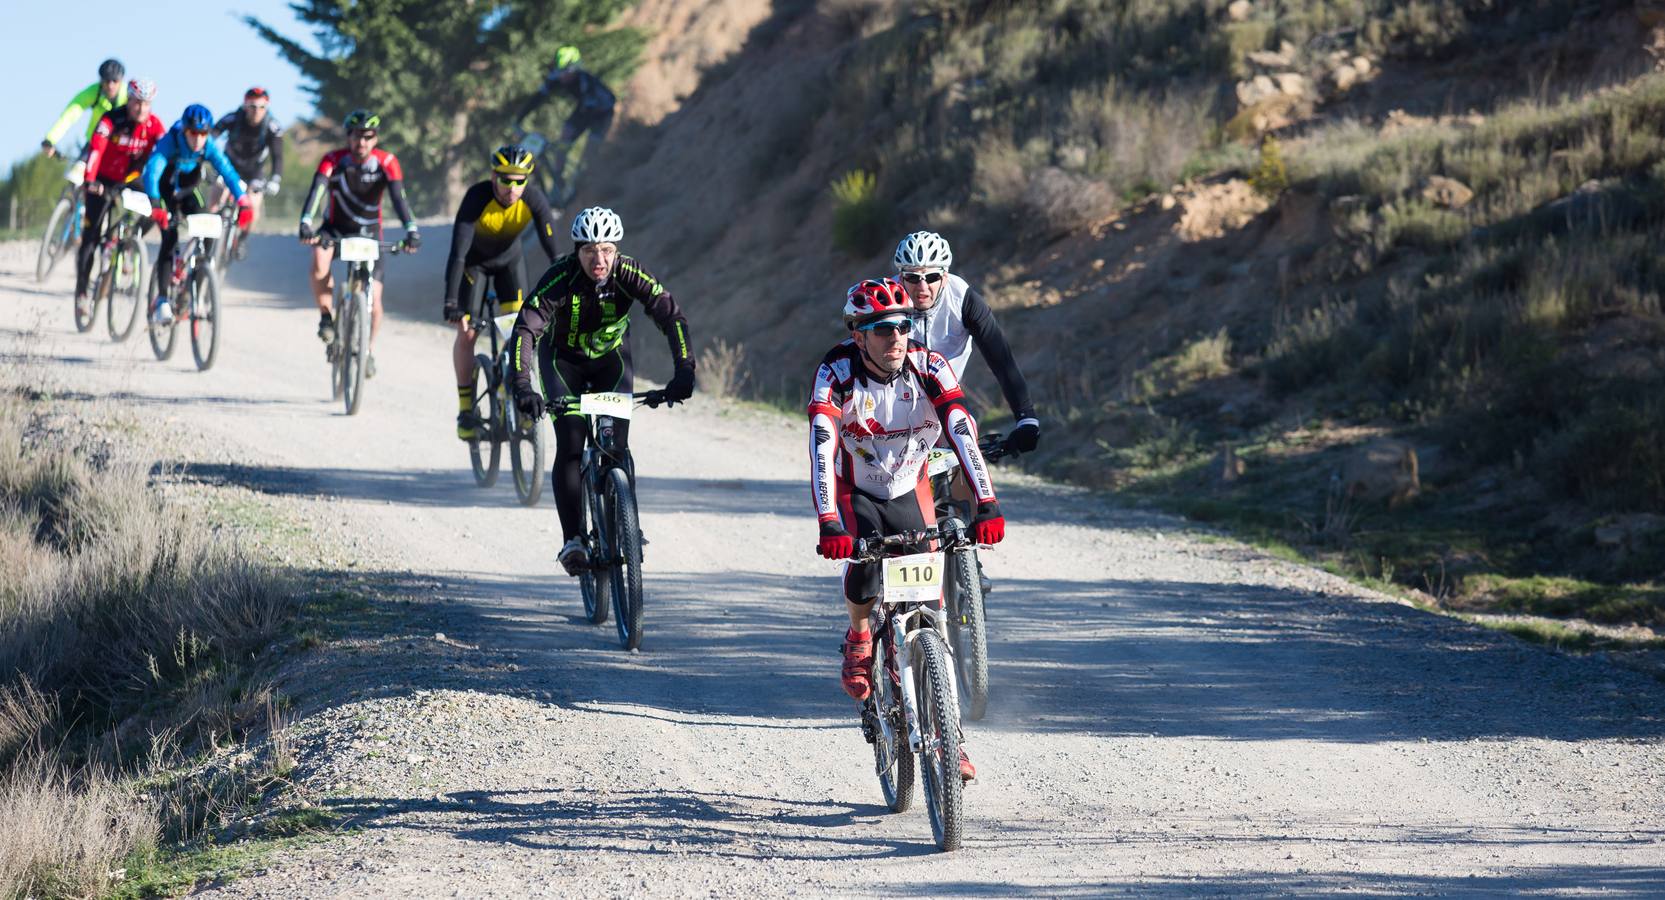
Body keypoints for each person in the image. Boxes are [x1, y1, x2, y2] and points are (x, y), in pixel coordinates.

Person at [807, 277, 1005, 782]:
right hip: (859, 490)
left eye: (901, 326)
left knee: (932, 609)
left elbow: (960, 427)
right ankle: (858, 637)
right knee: (867, 569)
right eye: (881, 329)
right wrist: (830, 520)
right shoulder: (836, 372)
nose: (895, 337)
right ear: (859, 335)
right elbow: (823, 444)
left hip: (909, 486)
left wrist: (986, 501)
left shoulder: (928, 366)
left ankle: (950, 736)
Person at [507, 207, 695, 573]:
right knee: (572, 444)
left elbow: (671, 315)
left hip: (611, 361)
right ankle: (574, 540)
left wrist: (685, 370)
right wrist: (522, 385)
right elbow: (525, 330)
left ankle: (626, 525)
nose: (600, 259)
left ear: (617, 250)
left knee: (615, 446)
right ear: (577, 250)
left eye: (607, 250)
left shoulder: (628, 272)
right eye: (590, 250)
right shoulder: (560, 277)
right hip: (563, 364)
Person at [444, 145, 561, 440]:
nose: (513, 187)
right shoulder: (476, 198)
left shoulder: (533, 198)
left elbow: (554, 251)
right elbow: (458, 254)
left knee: (519, 333)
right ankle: (466, 408)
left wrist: (566, 283)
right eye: (506, 179)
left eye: (520, 180)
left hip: (510, 264)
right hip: (475, 266)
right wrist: (451, 301)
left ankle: (519, 396)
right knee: (468, 333)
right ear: (493, 176)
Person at [892, 231, 1039, 454]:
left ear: (945, 276)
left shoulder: (963, 299)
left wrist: (1026, 418)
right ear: (900, 277)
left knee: (966, 454)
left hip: (946, 397)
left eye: (931, 277)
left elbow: (1001, 360)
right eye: (913, 277)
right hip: (894, 400)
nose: (922, 287)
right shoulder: (886, 299)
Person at [297, 109, 420, 371]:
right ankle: (326, 317)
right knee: (319, 259)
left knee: (374, 303)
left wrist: (411, 229)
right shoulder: (333, 160)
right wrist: (306, 222)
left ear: (375, 139)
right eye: (356, 136)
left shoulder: (387, 162)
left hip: (369, 232)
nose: (361, 142)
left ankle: (367, 351)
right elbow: (317, 189)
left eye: (368, 137)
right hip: (335, 227)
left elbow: (399, 199)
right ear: (348, 137)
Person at [140, 104, 251, 323]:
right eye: (193, 133)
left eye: (203, 134)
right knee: (169, 239)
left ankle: (195, 290)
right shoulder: (170, 140)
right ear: (185, 131)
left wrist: (243, 201)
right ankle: (162, 299)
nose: (198, 139)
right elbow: (152, 171)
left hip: (189, 192)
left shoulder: (208, 145)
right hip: (165, 193)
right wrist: (155, 204)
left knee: (209, 231)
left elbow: (227, 170)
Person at [73, 77, 164, 318]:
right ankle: (82, 293)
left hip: (131, 178)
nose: (141, 109)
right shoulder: (111, 119)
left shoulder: (155, 126)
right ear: (129, 100)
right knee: (91, 237)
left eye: (146, 104)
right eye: (137, 103)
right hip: (102, 178)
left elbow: (163, 157)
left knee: (157, 209)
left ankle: (130, 241)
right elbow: (96, 148)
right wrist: (90, 179)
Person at [513, 44, 615, 201]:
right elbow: (537, 98)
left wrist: (568, 137)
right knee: (565, 137)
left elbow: (591, 111)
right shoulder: (558, 77)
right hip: (585, 109)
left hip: (602, 112)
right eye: (559, 72)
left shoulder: (586, 83)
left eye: (565, 72)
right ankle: (557, 184)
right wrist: (519, 119)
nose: (562, 76)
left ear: (574, 68)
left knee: (590, 151)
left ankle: (591, 185)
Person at [211, 87, 285, 252]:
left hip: (254, 171)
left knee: (253, 204)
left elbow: (278, 157)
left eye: (261, 107)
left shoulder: (273, 127)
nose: (256, 111)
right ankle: (208, 235)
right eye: (252, 107)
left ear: (267, 107)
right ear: (245, 106)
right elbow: (210, 137)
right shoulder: (232, 119)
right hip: (229, 166)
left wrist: (275, 179)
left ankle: (242, 238)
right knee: (215, 199)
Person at [41, 58, 127, 159]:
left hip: (122, 146)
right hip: (94, 143)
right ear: (101, 80)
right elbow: (69, 115)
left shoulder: (130, 96)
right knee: (75, 173)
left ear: (121, 80)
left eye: (115, 81)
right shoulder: (93, 92)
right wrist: (50, 139)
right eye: (107, 81)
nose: (110, 85)